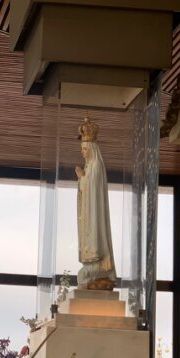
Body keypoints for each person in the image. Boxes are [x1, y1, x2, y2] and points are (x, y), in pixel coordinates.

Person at [75, 117, 117, 290]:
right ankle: (92, 265)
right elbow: (87, 187)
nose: (83, 153)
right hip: (88, 209)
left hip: (94, 210)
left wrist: (82, 178)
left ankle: (99, 262)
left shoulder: (96, 165)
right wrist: (82, 179)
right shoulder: (90, 165)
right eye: (82, 149)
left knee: (82, 275)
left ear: (92, 148)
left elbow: (93, 189)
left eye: (85, 149)